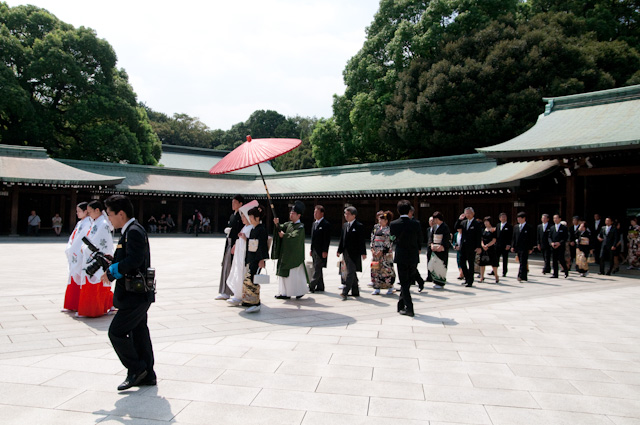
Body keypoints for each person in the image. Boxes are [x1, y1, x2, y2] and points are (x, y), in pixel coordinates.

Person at [103, 194, 156, 391]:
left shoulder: (133, 231)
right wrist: (112, 261)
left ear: (121, 213)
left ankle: (136, 368)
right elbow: (130, 257)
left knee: (116, 332)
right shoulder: (130, 230)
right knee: (139, 332)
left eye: (110, 214)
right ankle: (148, 374)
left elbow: (134, 260)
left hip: (135, 295)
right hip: (137, 294)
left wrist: (112, 272)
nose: (109, 218)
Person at [77, 200, 114, 318]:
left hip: (97, 257)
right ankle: (93, 308)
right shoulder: (96, 222)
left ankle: (93, 309)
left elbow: (99, 242)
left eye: (90, 212)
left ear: (97, 210)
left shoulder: (102, 224)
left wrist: (86, 249)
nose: (89, 214)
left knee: (96, 283)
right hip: (92, 255)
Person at [390, 200, 422, 316]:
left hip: (401, 255)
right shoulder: (416, 223)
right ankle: (400, 304)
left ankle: (410, 308)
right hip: (413, 255)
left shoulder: (394, 224)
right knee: (407, 282)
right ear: (409, 211)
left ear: (398, 211)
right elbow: (420, 239)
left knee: (404, 282)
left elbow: (392, 238)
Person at [272, 201, 309, 299]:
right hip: (286, 254)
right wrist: (277, 224)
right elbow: (280, 227)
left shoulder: (300, 227)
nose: (291, 215)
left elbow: (294, 237)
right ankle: (284, 292)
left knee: (294, 275)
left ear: (299, 215)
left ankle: (298, 291)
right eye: (290, 213)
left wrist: (284, 235)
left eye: (293, 213)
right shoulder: (289, 224)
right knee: (285, 274)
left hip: (294, 255)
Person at [226, 201, 258, 306]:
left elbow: (253, 242)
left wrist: (245, 238)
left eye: (244, 216)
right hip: (239, 255)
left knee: (242, 274)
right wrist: (236, 244)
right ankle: (237, 294)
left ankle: (240, 295)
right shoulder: (245, 227)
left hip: (244, 256)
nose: (243, 218)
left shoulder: (251, 228)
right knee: (238, 273)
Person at [240, 204, 269, 313]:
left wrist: (262, 260)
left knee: (254, 280)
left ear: (257, 218)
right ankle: (249, 300)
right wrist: (245, 238)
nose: (250, 219)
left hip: (257, 259)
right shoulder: (254, 229)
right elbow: (251, 243)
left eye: (251, 217)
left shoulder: (261, 229)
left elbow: (262, 246)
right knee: (248, 279)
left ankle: (256, 303)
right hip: (252, 257)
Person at [63, 202, 91, 312]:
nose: (77, 213)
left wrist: (74, 248)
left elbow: (82, 239)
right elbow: (74, 237)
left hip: (80, 253)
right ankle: (72, 304)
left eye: (79, 211)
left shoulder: (88, 222)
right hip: (74, 252)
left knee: (79, 278)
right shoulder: (80, 223)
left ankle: (77, 304)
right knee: (74, 277)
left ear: (85, 211)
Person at [216, 195, 244, 300]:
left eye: (235, 202)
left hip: (236, 243)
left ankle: (233, 292)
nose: (233, 204)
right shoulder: (233, 215)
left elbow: (241, 231)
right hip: (229, 242)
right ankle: (225, 291)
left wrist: (236, 242)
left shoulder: (242, 216)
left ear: (241, 204)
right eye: (232, 202)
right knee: (226, 266)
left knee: (233, 267)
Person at [337, 206, 367, 300]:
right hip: (346, 252)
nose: (346, 216)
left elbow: (361, 240)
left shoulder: (359, 226)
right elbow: (342, 239)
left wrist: (363, 252)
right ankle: (355, 291)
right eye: (345, 214)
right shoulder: (345, 225)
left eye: (348, 214)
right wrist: (339, 250)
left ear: (354, 215)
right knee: (351, 271)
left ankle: (345, 292)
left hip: (355, 253)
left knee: (350, 272)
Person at [455, 207, 482, 287]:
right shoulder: (464, 222)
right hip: (463, 246)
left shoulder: (476, 223)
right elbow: (456, 227)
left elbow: (478, 235)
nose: (468, 214)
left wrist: (478, 246)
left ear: (473, 213)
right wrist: (459, 219)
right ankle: (466, 278)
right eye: (466, 213)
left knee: (471, 264)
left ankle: (470, 281)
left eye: (469, 213)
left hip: (472, 247)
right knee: (462, 263)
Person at [370, 210, 395, 295]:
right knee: (375, 269)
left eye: (382, 220)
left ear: (386, 221)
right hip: (376, 252)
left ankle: (389, 286)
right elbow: (372, 239)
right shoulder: (376, 228)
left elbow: (388, 241)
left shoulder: (388, 230)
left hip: (385, 254)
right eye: (379, 219)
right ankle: (377, 287)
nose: (380, 221)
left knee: (386, 270)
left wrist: (381, 250)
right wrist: (372, 249)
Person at [309, 205, 331, 293]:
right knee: (317, 267)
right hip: (314, 249)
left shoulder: (325, 224)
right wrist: (311, 249)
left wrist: (325, 250)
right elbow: (312, 238)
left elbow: (326, 239)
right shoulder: (314, 223)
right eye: (314, 212)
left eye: (317, 212)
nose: (315, 214)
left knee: (317, 268)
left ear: (322, 213)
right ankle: (320, 286)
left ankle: (312, 285)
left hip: (321, 250)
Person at [428, 211, 451, 289]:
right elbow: (431, 237)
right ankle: (435, 281)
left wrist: (442, 246)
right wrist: (431, 244)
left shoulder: (445, 227)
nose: (433, 221)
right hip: (435, 247)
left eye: (434, 219)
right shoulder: (434, 227)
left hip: (441, 248)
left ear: (438, 219)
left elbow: (446, 238)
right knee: (434, 264)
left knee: (441, 265)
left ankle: (441, 282)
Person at [511, 212, 534, 282]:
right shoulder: (516, 227)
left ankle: (521, 275)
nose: (518, 219)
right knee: (521, 261)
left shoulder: (529, 227)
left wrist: (531, 248)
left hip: (525, 247)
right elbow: (514, 237)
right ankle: (523, 276)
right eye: (517, 218)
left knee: (523, 262)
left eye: (520, 218)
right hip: (518, 247)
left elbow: (531, 238)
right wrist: (513, 246)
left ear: (524, 218)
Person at [479, 216, 499, 283]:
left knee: (493, 263)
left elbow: (494, 240)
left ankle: (496, 276)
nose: (486, 223)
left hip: (491, 248)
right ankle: (482, 277)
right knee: (482, 263)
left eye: (487, 221)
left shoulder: (493, 230)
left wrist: (488, 245)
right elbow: (481, 239)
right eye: (485, 221)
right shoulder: (483, 230)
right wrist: (483, 245)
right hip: (483, 248)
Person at [549, 214, 569, 278]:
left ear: (560, 219)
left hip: (560, 246)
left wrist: (559, 243)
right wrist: (551, 243)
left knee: (561, 259)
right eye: (554, 218)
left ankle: (566, 271)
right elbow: (549, 237)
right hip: (553, 246)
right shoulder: (552, 228)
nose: (555, 219)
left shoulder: (564, 228)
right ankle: (555, 274)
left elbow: (565, 237)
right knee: (554, 260)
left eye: (556, 218)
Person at [496, 213, 512, 277]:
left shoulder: (509, 226)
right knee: (496, 258)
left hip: (505, 245)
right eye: (502, 217)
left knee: (505, 259)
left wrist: (509, 244)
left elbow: (511, 236)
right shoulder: (498, 225)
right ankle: (494, 270)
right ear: (499, 218)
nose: (503, 218)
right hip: (498, 245)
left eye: (504, 217)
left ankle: (504, 271)